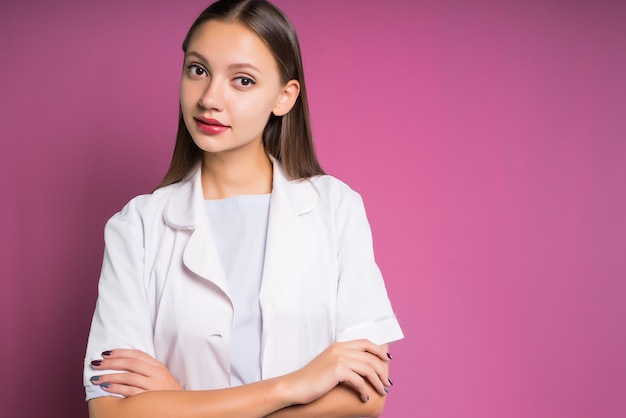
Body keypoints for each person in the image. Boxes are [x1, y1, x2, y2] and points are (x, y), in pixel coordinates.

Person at [83, 0, 404, 416]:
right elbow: (110, 411)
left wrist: (179, 404)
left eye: (243, 80)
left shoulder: (336, 209)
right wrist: (293, 386)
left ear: (284, 97)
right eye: (198, 70)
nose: (210, 98)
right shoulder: (137, 227)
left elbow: (366, 397)